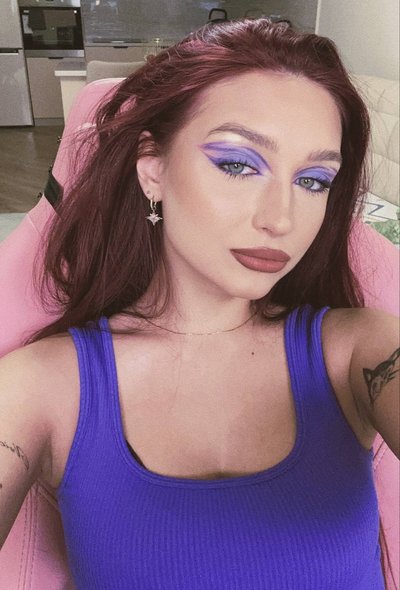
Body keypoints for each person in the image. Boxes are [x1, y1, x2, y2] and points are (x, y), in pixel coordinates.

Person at [0, 17, 398, 590]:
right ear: (153, 168)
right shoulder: (42, 386)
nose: (281, 219)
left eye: (313, 180)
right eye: (238, 164)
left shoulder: (361, 351)